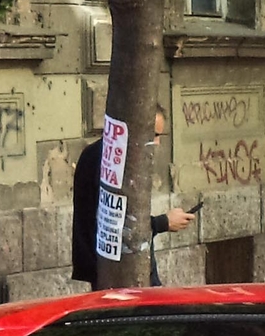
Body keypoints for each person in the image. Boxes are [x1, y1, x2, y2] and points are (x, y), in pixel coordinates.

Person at [71, 109, 195, 287]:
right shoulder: (111, 162)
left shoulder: (100, 155)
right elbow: (115, 226)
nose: (158, 143)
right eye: (154, 135)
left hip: (116, 267)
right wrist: (163, 222)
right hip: (118, 271)